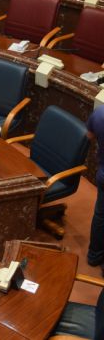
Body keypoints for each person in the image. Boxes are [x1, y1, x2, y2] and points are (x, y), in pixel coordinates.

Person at [87, 105, 104, 275]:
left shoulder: (100, 113)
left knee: (100, 216)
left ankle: (94, 256)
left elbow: (89, 135)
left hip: (103, 175)